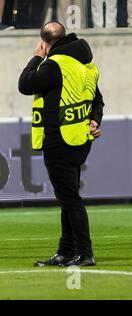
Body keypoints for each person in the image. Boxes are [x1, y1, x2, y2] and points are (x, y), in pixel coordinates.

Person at [18, 21, 104, 267]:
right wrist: (94, 122)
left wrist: (35, 58)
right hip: (80, 140)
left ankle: (85, 253)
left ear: (44, 43)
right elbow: (98, 101)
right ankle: (65, 251)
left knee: (70, 199)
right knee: (69, 197)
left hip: (58, 140)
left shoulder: (54, 65)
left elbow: (25, 84)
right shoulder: (86, 65)